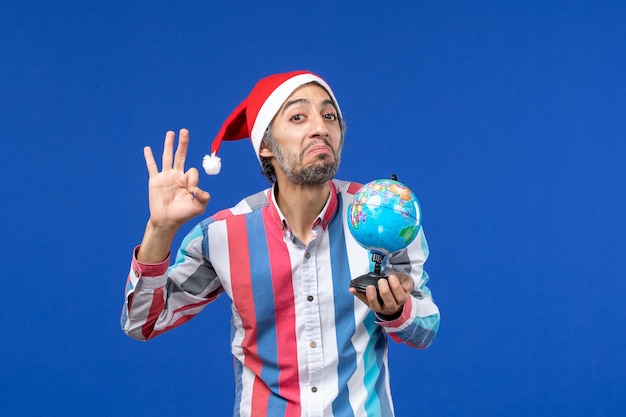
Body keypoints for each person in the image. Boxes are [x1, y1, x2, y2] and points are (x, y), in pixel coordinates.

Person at [121, 70, 440, 417]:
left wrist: (396, 310)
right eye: (298, 116)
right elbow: (142, 323)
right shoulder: (223, 235)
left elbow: (426, 329)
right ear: (266, 146)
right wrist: (160, 228)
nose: (320, 128)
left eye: (329, 115)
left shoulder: (385, 215)